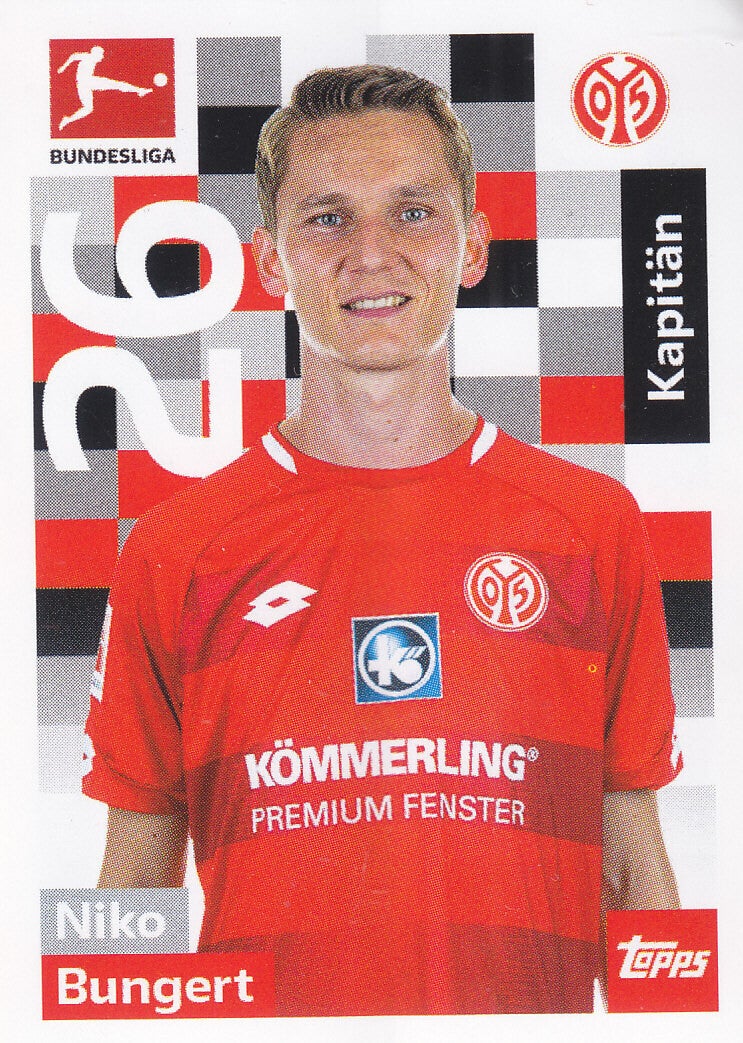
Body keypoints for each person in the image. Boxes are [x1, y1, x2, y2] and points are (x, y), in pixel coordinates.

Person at [83, 64, 681, 1016]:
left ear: (471, 244)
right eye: (327, 218)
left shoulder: (590, 524)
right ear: (270, 260)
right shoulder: (174, 548)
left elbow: (633, 863)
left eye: (412, 213)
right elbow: (132, 884)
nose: (371, 253)